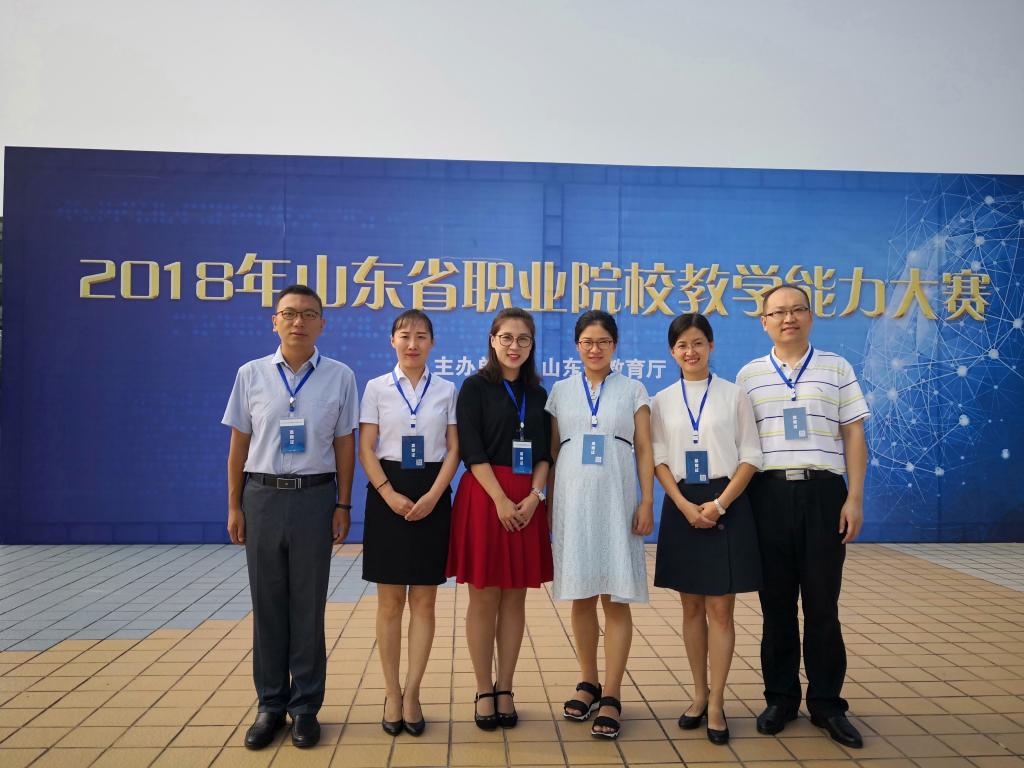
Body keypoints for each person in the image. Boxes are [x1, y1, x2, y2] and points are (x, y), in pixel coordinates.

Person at [222, 284, 357, 750]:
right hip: (262, 497)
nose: (298, 322)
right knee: (268, 605)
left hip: (315, 499)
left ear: (322, 324)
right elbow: (239, 444)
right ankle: (270, 705)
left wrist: (343, 504)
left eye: (308, 314)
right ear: (274, 321)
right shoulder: (251, 374)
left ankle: (305, 708)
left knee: (308, 605)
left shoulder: (340, 376)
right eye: (289, 313)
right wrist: (234, 505)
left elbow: (345, 444)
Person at [737, 284, 869, 749]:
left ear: (811, 316)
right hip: (767, 496)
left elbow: (854, 434)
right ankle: (781, 699)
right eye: (778, 312)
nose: (788, 318)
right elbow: (741, 445)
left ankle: (828, 705)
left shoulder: (836, 368)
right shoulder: (749, 376)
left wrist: (854, 498)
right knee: (775, 606)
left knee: (822, 605)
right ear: (764, 323)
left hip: (824, 494)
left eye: (797, 310)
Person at [651, 313, 763, 745]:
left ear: (711, 346)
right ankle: (697, 695)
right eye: (682, 345)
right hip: (682, 503)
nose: (690, 351)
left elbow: (750, 456)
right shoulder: (662, 400)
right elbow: (659, 459)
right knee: (691, 609)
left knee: (720, 609)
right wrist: (682, 505)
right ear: (671, 351)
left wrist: (718, 505)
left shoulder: (735, 395)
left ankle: (717, 702)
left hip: (726, 502)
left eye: (698, 343)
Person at [546, 310, 654, 739]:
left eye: (603, 342)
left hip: (617, 502)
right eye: (587, 342)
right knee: (581, 595)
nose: (595, 349)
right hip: (573, 503)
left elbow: (644, 448)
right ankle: (588, 681)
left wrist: (647, 500)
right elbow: (553, 453)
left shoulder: (633, 389)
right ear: (577, 346)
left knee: (616, 598)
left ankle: (612, 693)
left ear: (615, 345)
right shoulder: (560, 391)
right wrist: (549, 504)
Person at [446, 307, 553, 731]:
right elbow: (471, 450)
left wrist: (535, 497)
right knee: (483, 597)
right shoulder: (474, 388)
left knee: (515, 597)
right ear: (492, 340)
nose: (514, 346)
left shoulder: (539, 394)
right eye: (506, 337)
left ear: (532, 345)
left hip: (526, 502)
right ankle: (482, 688)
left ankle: (505, 687)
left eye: (523, 339)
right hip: (485, 498)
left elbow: (544, 454)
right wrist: (501, 501)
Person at [358, 309, 459, 737]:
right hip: (388, 493)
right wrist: (388, 493)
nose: (412, 343)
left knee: (424, 601)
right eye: (404, 335)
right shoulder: (376, 387)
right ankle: (391, 693)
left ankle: (413, 692)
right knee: (389, 603)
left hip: (432, 493)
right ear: (392, 341)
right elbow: (366, 447)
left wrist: (434, 495)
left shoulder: (447, 389)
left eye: (421, 336)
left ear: (432, 343)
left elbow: (454, 448)